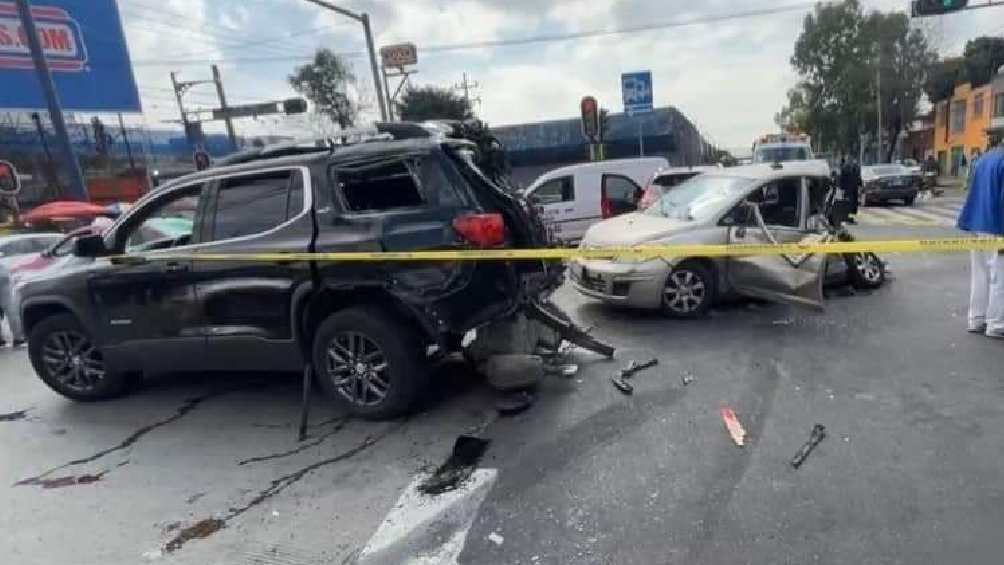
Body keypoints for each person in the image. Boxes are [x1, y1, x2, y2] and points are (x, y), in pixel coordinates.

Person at [957, 134, 1004, 338]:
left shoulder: (985, 158)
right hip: (996, 226)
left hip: (976, 224)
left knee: (980, 274)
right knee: (1000, 278)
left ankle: (976, 319)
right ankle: (997, 324)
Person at [839, 156, 859, 223]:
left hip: (850, 188)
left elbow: (843, 178)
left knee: (849, 202)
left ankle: (846, 216)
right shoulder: (847, 168)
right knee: (849, 202)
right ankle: (846, 216)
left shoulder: (848, 168)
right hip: (850, 188)